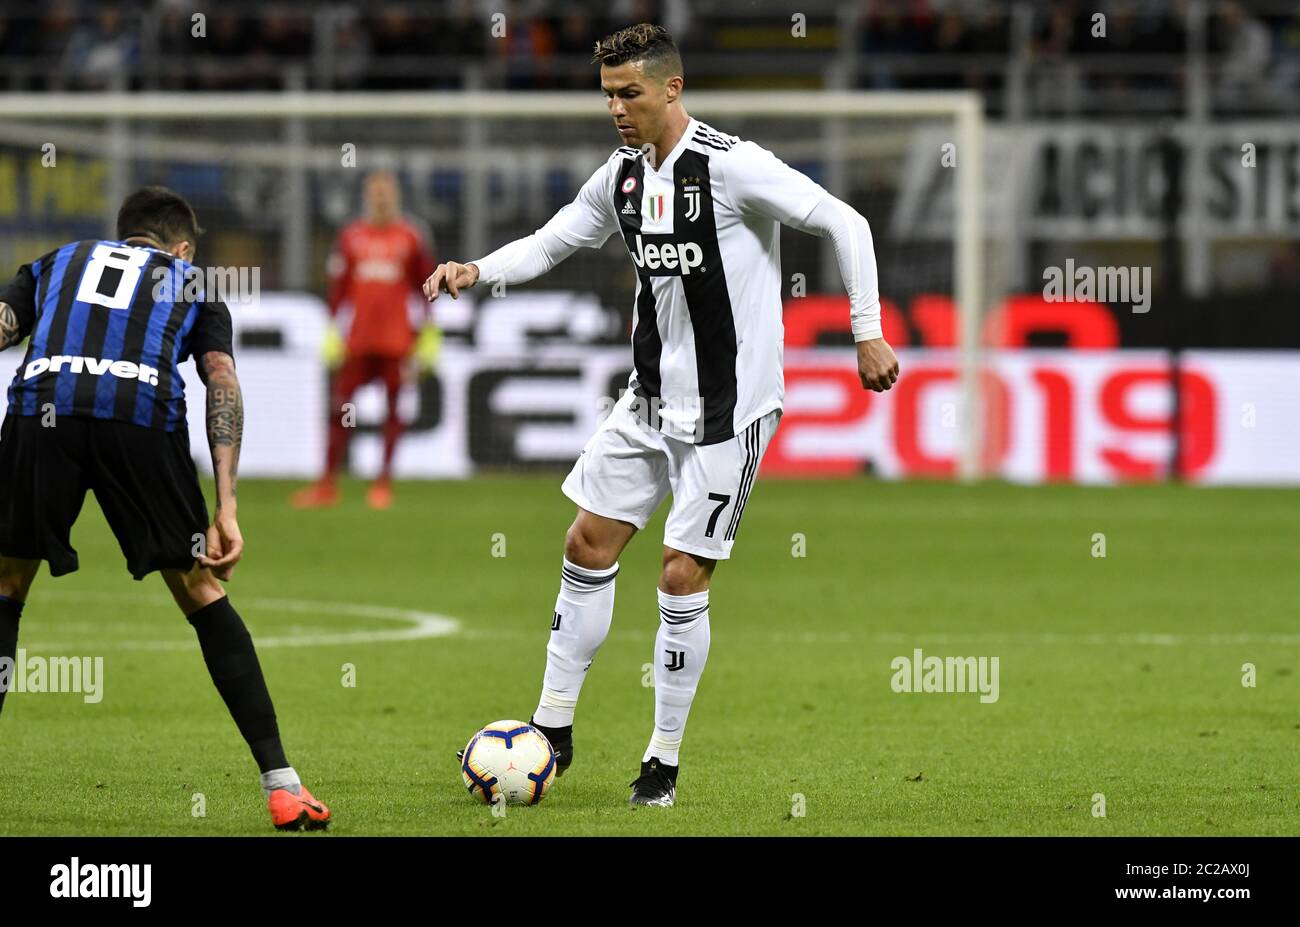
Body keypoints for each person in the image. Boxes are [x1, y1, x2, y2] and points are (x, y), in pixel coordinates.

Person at [430, 24, 899, 807]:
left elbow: (845, 222)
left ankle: (663, 760)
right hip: (648, 399)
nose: (617, 108)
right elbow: (552, 241)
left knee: (681, 574)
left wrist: (867, 330)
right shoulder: (620, 178)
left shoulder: (731, 166)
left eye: (630, 93)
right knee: (587, 539)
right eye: (608, 94)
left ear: (672, 89)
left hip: (729, 407)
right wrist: (479, 269)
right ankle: (555, 729)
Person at [0, 186, 331, 831]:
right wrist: (226, 504)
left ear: (121, 234)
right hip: (138, 418)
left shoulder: (56, 261)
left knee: (7, 584)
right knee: (201, 588)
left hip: (44, 408)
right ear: (180, 247)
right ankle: (282, 787)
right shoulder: (190, 282)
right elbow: (221, 380)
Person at [291, 170, 437, 511]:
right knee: (341, 409)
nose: (381, 198)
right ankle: (327, 484)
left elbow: (425, 287)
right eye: (375, 192)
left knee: (393, 410)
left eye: (386, 192)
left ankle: (383, 482)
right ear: (367, 197)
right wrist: (331, 331)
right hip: (357, 341)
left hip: (397, 342)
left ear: (396, 196)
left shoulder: (412, 237)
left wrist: (429, 334)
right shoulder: (351, 237)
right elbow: (339, 290)